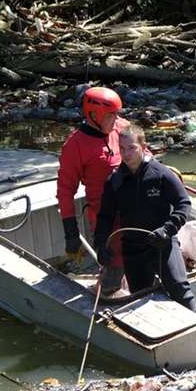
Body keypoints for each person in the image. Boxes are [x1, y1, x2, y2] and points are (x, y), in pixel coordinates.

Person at [93, 125, 196, 312]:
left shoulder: (161, 174)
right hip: (133, 249)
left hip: (163, 243)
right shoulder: (114, 182)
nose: (127, 154)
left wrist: (167, 230)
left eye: (132, 148)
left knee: (180, 288)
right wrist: (101, 244)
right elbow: (105, 217)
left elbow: (184, 205)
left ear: (143, 146)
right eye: (122, 149)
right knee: (142, 298)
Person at [56, 86, 126, 293]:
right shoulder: (75, 145)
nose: (116, 119)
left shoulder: (122, 128)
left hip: (134, 209)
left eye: (117, 114)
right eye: (111, 115)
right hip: (106, 218)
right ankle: (108, 297)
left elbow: (144, 153)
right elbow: (65, 191)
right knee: (114, 268)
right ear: (94, 115)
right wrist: (71, 233)